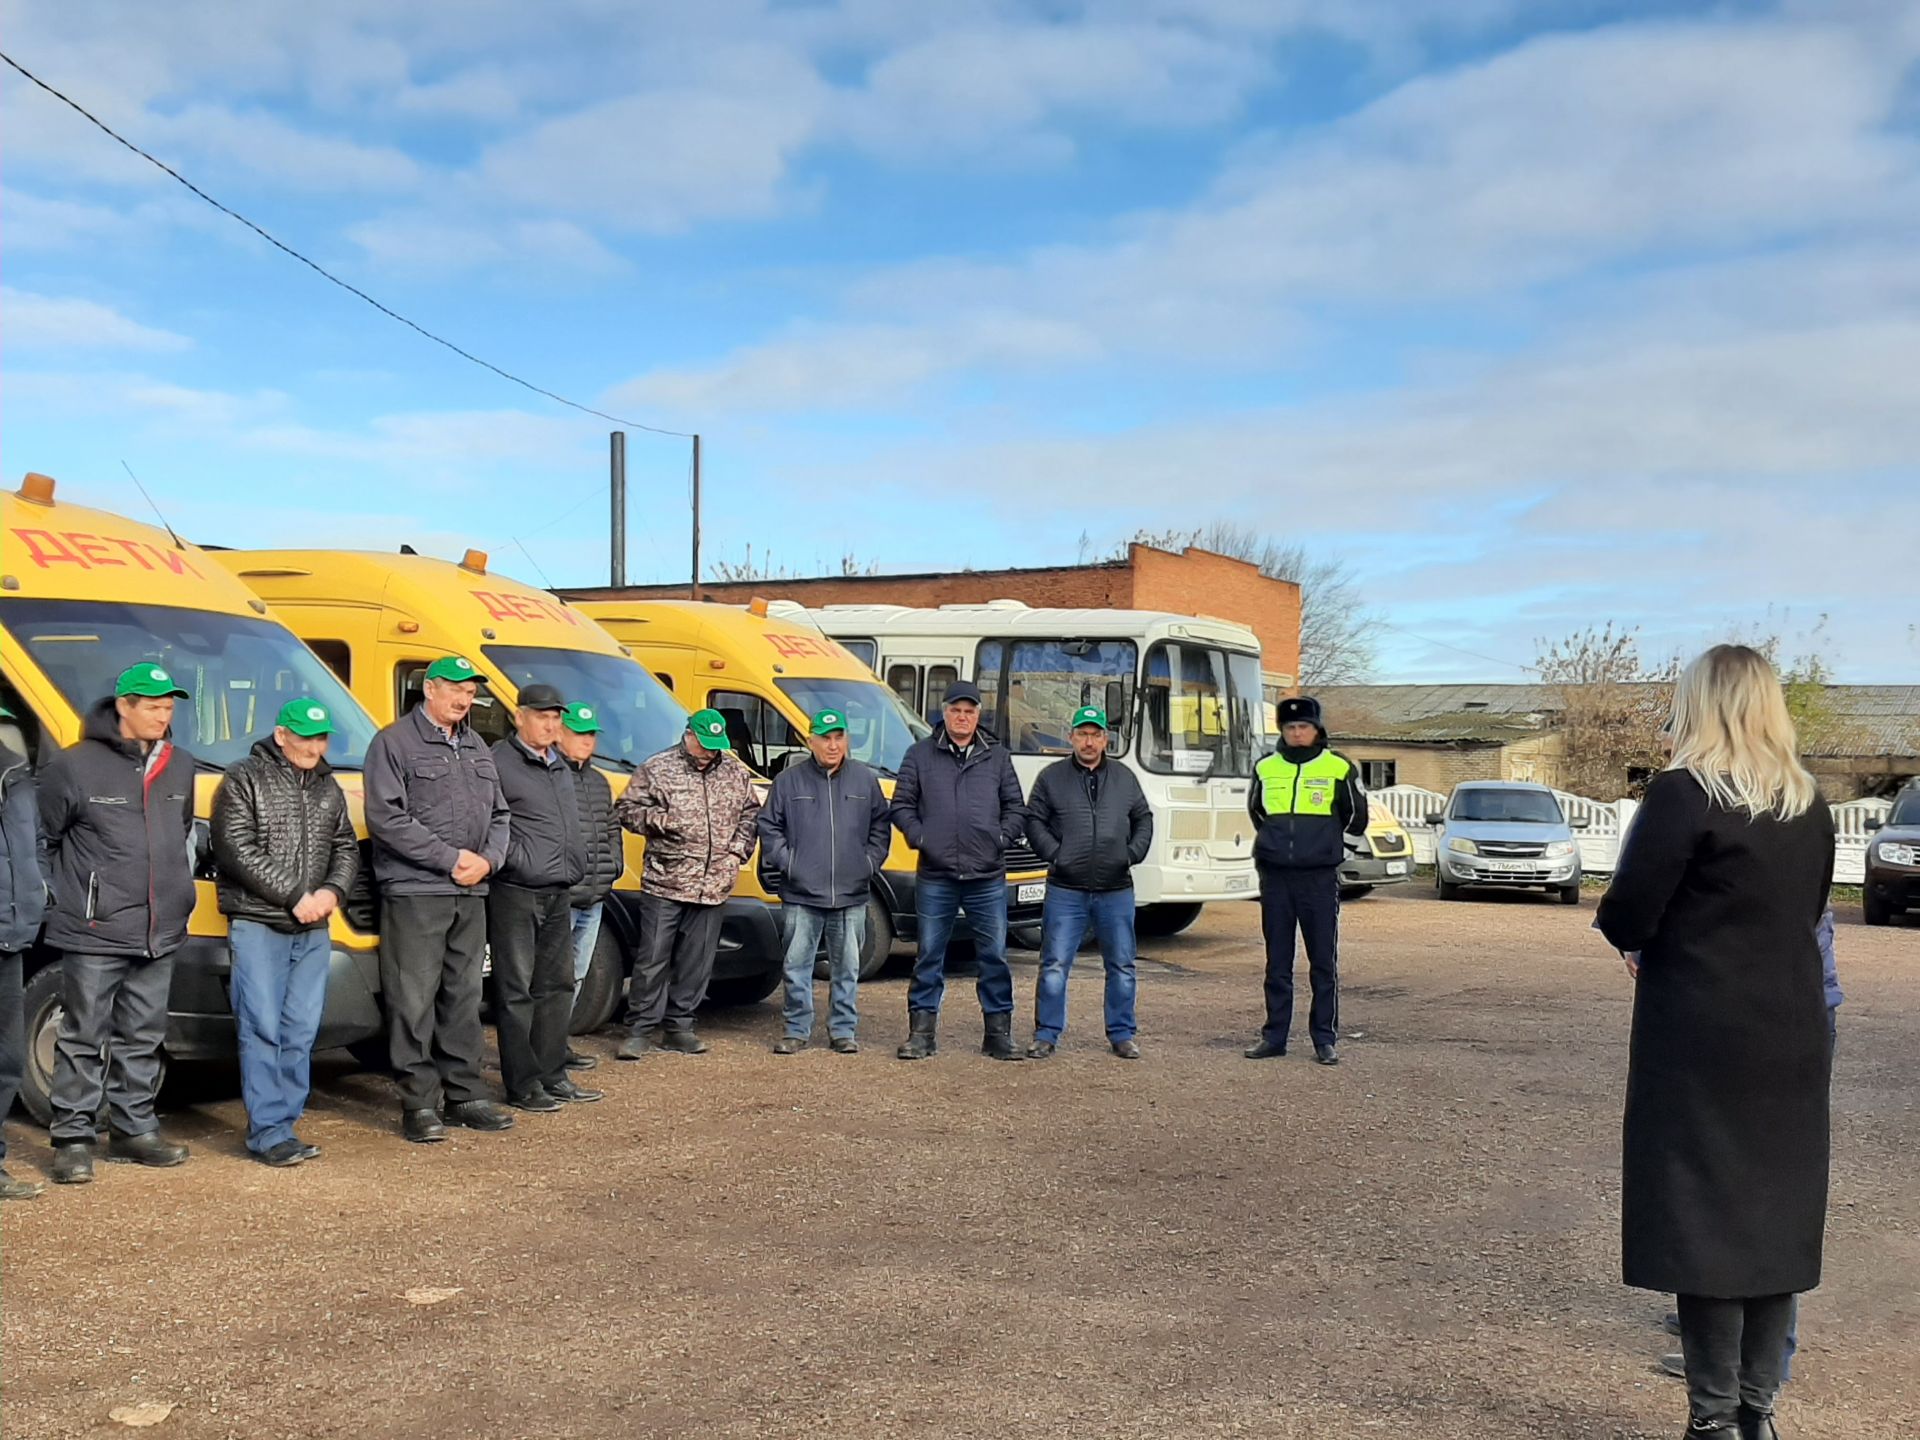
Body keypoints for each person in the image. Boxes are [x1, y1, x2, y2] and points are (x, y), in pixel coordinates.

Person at [1596, 644, 1834, 1440]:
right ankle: (1759, 1413)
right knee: (1773, 1220)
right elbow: (1802, 915)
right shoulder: (1809, 802)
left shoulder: (1684, 793)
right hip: (1793, 1031)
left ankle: (1713, 1419)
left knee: (1703, 1217)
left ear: (1703, 703)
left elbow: (1630, 906)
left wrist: (1638, 943)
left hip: (1702, 1034)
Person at [1659, 906, 1843, 1388]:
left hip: (1774, 1017)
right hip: (1791, 1011)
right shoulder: (1793, 840)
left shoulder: (1770, 848)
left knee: (1759, 1190)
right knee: (1750, 1187)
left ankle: (1752, 1365)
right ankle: (1724, 1345)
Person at [40, 663, 199, 1184]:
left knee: (144, 1034)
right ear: (123, 706)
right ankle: (72, 1138)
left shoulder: (180, 765)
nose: (162, 715)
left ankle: (134, 1130)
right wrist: (65, 900)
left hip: (160, 927)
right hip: (94, 928)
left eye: (168, 706)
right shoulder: (75, 766)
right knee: (84, 1034)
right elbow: (43, 841)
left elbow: (177, 834)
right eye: (152, 705)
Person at [363, 655, 515, 1143]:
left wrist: (488, 860)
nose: (464, 699)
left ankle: (465, 1095)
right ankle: (419, 1102)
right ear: (428, 688)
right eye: (455, 689)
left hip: (471, 890)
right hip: (416, 890)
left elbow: (501, 815)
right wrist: (451, 858)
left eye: (470, 692)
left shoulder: (477, 747)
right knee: (413, 999)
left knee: (465, 996)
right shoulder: (394, 743)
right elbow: (387, 819)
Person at [210, 698, 358, 1167]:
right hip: (259, 922)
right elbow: (234, 847)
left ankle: (285, 1123)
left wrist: (333, 891)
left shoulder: (328, 788)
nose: (314, 746)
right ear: (281, 735)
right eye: (305, 736)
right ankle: (269, 1132)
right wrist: (296, 895)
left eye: (321, 737)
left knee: (300, 1029)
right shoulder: (242, 778)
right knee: (262, 1026)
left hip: (312, 926)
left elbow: (345, 846)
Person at [891, 679, 1028, 1062]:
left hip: (987, 875)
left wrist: (1000, 839)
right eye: (955, 710)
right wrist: (922, 839)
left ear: (977, 716)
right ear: (944, 712)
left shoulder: (997, 757)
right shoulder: (919, 755)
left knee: (994, 956)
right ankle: (921, 1034)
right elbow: (901, 806)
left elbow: (1017, 808)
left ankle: (998, 1034)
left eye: (969, 711)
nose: (962, 717)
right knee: (930, 955)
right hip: (936, 875)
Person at [614, 709, 761, 1059]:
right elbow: (626, 810)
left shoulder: (735, 772)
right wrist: (661, 821)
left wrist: (736, 853)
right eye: (705, 745)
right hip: (666, 881)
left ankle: (679, 1026)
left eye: (716, 746)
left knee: (697, 961)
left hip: (713, 885)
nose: (711, 752)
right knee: (653, 958)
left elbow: (751, 814)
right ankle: (639, 1029)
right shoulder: (657, 767)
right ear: (689, 736)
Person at [488, 683, 600, 1113]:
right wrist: (517, 861)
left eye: (556, 718)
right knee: (516, 990)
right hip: (516, 889)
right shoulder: (500, 762)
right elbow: (491, 823)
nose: (550, 724)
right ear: (519, 717)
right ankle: (522, 1084)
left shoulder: (560, 765)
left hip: (558, 889)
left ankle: (553, 1074)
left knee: (556, 986)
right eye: (541, 716)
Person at [757, 708, 892, 1055]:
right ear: (810, 741)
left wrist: (868, 863)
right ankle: (796, 1029)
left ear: (846, 739)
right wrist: (790, 863)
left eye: (838, 738)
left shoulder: (865, 780)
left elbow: (880, 826)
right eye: (825, 738)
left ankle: (843, 1030)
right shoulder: (788, 781)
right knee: (796, 966)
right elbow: (769, 827)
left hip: (851, 893)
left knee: (847, 967)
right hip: (802, 893)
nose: (832, 745)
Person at [1024, 705, 1153, 1060]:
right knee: (1053, 964)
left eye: (1095, 734)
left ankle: (1122, 1033)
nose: (1089, 741)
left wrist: (1130, 854)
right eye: (1082, 733)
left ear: (1105, 739)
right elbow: (1033, 820)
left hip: (1116, 889)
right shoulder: (1052, 777)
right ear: (1071, 737)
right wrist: (1056, 854)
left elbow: (1143, 818)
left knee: (1122, 966)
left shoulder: (1125, 777)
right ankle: (1046, 1033)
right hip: (1066, 889)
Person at [1243, 695, 1366, 1066]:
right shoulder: (1266, 766)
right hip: (1276, 876)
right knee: (1277, 961)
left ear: (1317, 729)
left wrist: (1334, 853)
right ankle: (1274, 1036)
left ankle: (1324, 1039)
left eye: (1304, 727)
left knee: (1322, 962)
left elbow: (1356, 817)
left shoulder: (1339, 767)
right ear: (1282, 730)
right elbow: (1256, 810)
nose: (1298, 733)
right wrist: (1276, 846)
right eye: (1291, 727)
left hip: (1318, 877)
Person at [1, 706, 50, 1199]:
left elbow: (34, 845)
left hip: (11, 934)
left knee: (8, 1059)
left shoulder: (17, 777)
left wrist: (41, 893)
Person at [559, 701, 620, 1071]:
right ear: (560, 733)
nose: (587, 741)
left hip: (594, 896)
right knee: (551, 976)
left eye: (591, 734)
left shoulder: (598, 781)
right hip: (562, 896)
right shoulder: (551, 775)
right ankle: (540, 1047)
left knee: (577, 975)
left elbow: (611, 826)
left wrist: (614, 864)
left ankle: (558, 1043)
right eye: (580, 733)